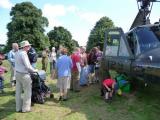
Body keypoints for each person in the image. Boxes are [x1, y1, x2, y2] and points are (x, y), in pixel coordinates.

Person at [15, 40, 38, 113]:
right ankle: (26, 108)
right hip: (24, 75)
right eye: (28, 46)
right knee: (27, 92)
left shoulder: (17, 52)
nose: (29, 47)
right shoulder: (24, 53)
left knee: (18, 92)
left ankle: (18, 108)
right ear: (24, 47)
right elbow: (28, 66)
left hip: (17, 74)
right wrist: (35, 70)